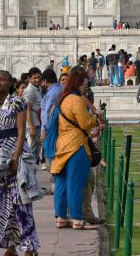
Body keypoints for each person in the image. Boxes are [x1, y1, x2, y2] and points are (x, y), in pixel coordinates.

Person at [0, 70, 40, 254]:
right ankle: (10, 246)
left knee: (21, 202)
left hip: (15, 155)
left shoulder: (17, 102)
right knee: (3, 203)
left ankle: (29, 247)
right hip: (0, 158)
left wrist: (16, 158)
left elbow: (21, 133)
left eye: (2, 80)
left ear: (10, 82)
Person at [52, 66, 101, 230]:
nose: (86, 87)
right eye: (85, 84)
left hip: (62, 143)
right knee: (76, 183)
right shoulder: (76, 100)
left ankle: (61, 217)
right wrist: (96, 116)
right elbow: (85, 123)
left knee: (62, 182)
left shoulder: (63, 99)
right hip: (76, 145)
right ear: (79, 83)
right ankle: (77, 220)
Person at [23, 67, 43, 161]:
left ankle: (31, 173)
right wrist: (32, 127)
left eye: (39, 77)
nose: (37, 80)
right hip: (32, 125)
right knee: (32, 152)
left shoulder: (38, 88)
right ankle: (28, 173)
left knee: (35, 151)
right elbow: (27, 110)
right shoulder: (29, 90)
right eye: (34, 78)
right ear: (29, 78)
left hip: (37, 122)